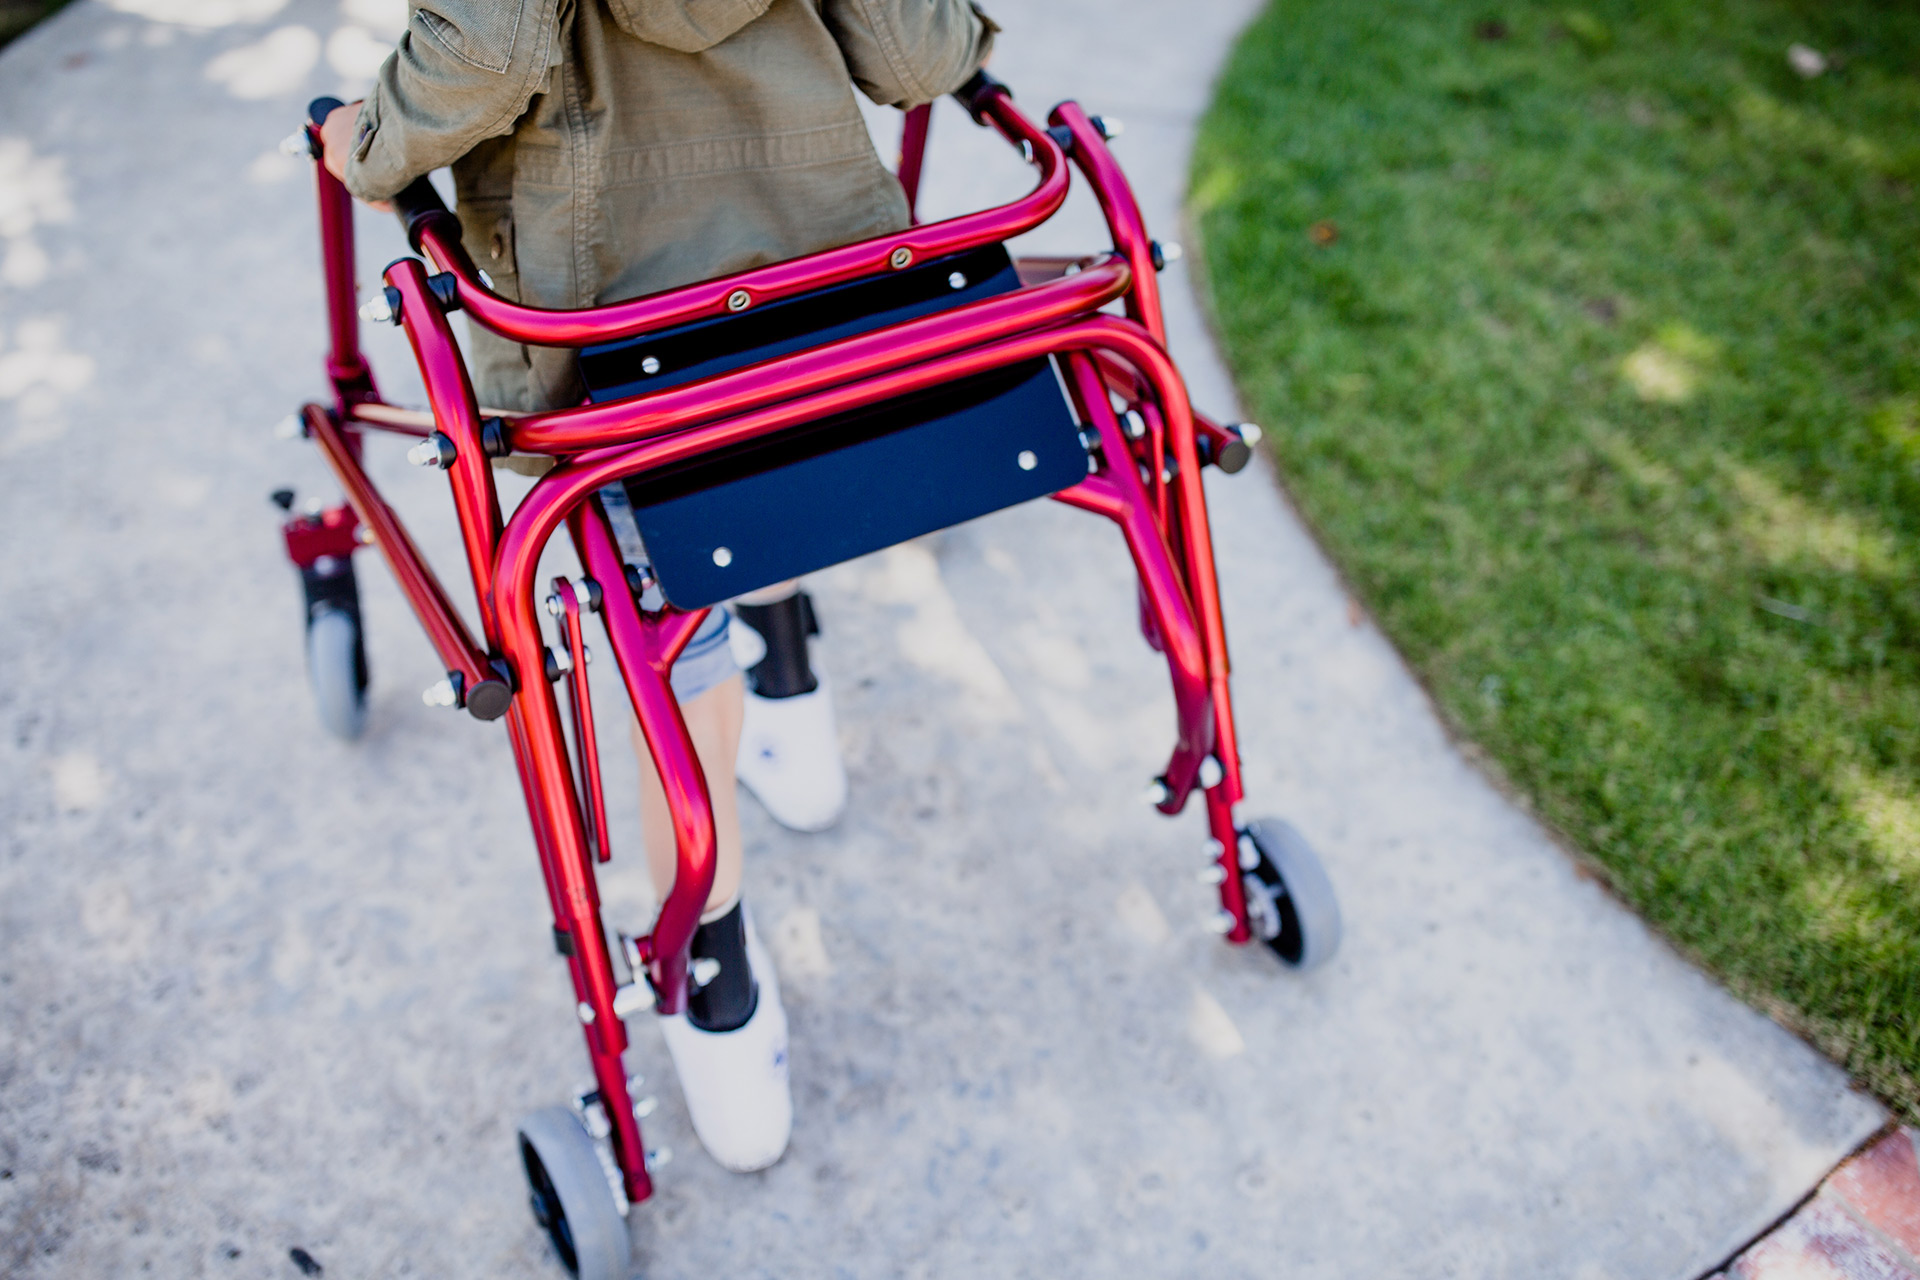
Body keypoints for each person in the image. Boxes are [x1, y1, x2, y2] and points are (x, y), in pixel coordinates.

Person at [319, 0, 996, 1173]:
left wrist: (362, 144)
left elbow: (485, 48)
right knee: (779, 446)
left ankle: (720, 985)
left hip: (616, 320)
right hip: (828, 282)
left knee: (665, 619)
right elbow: (914, 55)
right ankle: (789, 690)